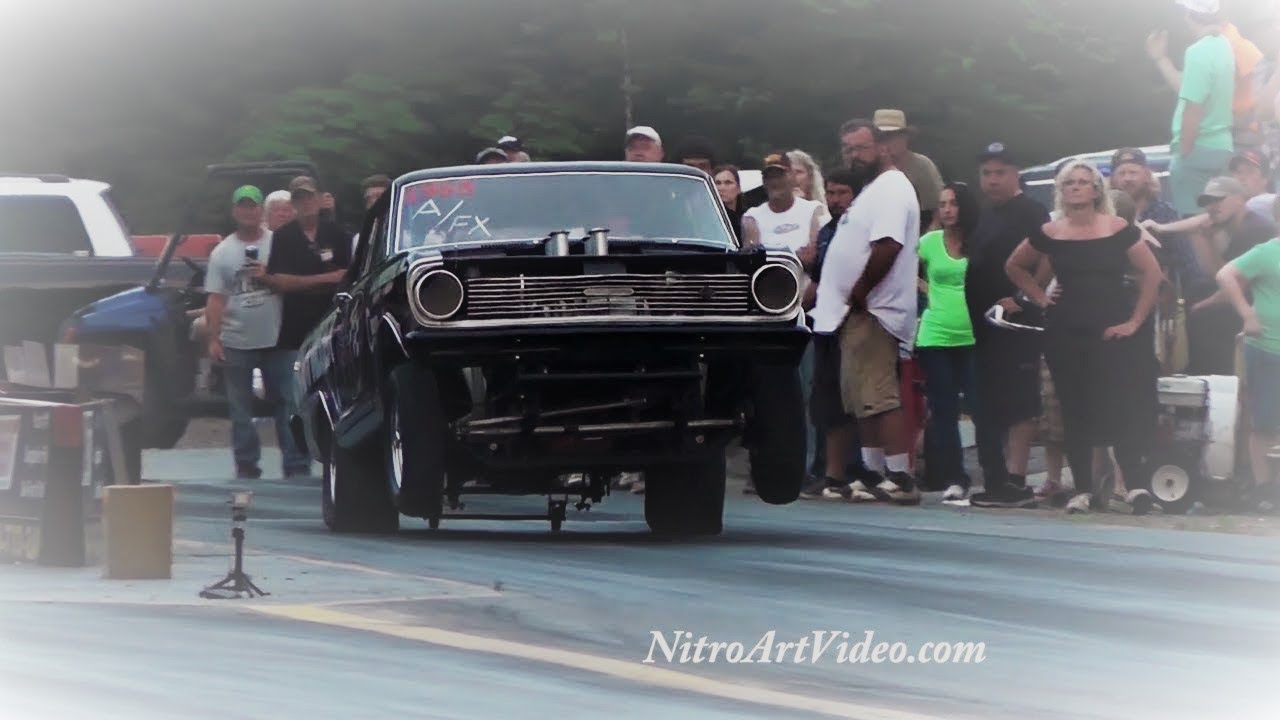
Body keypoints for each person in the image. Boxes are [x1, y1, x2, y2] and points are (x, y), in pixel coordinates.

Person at [1006, 161, 1163, 514]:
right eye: (1069, 183)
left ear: (1096, 190)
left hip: (1112, 329)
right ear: (1060, 191)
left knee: (1119, 405)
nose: (1076, 188)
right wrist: (1041, 297)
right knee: (1074, 407)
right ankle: (1082, 489)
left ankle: (1135, 486)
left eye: (1083, 182)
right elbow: (1014, 265)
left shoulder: (1118, 227)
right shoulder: (1050, 231)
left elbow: (1152, 273)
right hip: (1065, 330)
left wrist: (1135, 321)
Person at [812, 120, 923, 505]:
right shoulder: (872, 191)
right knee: (861, 398)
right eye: (847, 149)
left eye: (860, 148)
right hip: (852, 311)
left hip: (875, 308)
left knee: (880, 395)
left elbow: (888, 245)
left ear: (884, 147)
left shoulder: (892, 188)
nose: (853, 156)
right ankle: (874, 473)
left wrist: (860, 290)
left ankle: (900, 475)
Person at [964, 142, 1050, 509]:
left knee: (1020, 401)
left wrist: (1026, 296)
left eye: (1000, 172)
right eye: (987, 173)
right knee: (991, 400)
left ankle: (1015, 480)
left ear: (1016, 174)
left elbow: (1051, 253)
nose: (993, 180)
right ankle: (996, 478)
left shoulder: (1031, 210)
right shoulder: (987, 214)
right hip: (983, 323)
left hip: (1016, 320)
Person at [204, 185, 310, 480]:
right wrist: (213, 338)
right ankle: (247, 465)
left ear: (261, 210)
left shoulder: (280, 243)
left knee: (289, 403)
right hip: (237, 339)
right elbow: (215, 298)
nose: (248, 211)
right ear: (234, 211)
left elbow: (298, 283)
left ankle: (296, 465)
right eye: (243, 206)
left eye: (253, 206)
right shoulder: (222, 253)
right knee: (240, 409)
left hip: (280, 337)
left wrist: (269, 276)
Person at [800, 169, 879, 499]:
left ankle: (870, 472)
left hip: (859, 322)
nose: (835, 200)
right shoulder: (829, 232)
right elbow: (819, 282)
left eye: (842, 193)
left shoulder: (868, 232)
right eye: (831, 193)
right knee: (829, 402)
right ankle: (834, 476)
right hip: (826, 325)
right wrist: (795, 311)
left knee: (864, 400)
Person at [915, 182, 980, 501]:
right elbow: (903, 271)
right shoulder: (928, 242)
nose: (947, 209)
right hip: (935, 333)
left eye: (953, 203)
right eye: (942, 204)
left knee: (982, 406)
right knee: (944, 410)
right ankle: (955, 477)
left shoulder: (979, 242)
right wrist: (926, 292)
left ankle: (997, 474)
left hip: (973, 334)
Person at [1216, 196, 1280, 513]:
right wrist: (1247, 314)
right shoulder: (1267, 251)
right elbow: (1225, 274)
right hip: (1267, 346)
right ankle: (1264, 488)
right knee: (1265, 421)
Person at [1147, 0, 1238, 217]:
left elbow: (1193, 106)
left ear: (1188, 15)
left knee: (1195, 227)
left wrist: (1185, 151)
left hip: (1196, 148)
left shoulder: (1198, 51)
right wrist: (1160, 58)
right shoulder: (1223, 45)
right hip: (1222, 147)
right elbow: (1186, 87)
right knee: (1221, 223)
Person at [1186, 175, 1276, 374]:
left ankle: (1215, 375)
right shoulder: (1234, 228)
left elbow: (1232, 284)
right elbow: (1217, 272)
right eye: (1208, 202)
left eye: (1219, 199)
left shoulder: (1253, 229)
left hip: (1261, 305)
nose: (1212, 206)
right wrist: (1206, 238)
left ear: (1239, 199)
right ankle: (1205, 371)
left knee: (1205, 313)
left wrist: (1201, 306)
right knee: (1199, 288)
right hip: (1248, 295)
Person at [260, 176, 351, 365]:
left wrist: (301, 282)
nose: (305, 203)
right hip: (294, 329)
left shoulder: (338, 233)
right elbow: (282, 282)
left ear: (319, 198)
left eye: (309, 197)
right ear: (293, 203)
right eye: (299, 198)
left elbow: (346, 278)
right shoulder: (282, 236)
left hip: (332, 324)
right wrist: (328, 279)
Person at [872, 109, 945, 232]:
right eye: (881, 137)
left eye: (892, 136)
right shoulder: (869, 166)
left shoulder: (922, 166)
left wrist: (926, 240)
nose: (887, 142)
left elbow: (938, 207)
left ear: (905, 138)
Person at [741, 155, 824, 254]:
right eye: (769, 177)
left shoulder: (813, 209)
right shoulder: (752, 216)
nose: (775, 182)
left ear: (793, 177)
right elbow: (753, 260)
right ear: (763, 181)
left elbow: (814, 256)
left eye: (780, 176)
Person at [787, 150, 829, 221]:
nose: (792, 177)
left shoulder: (824, 210)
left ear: (810, 177)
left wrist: (801, 205)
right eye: (787, 172)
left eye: (798, 172)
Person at [712, 164, 744, 238]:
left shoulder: (747, 216)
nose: (722, 188)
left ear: (738, 188)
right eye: (718, 183)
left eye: (728, 182)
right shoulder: (709, 217)